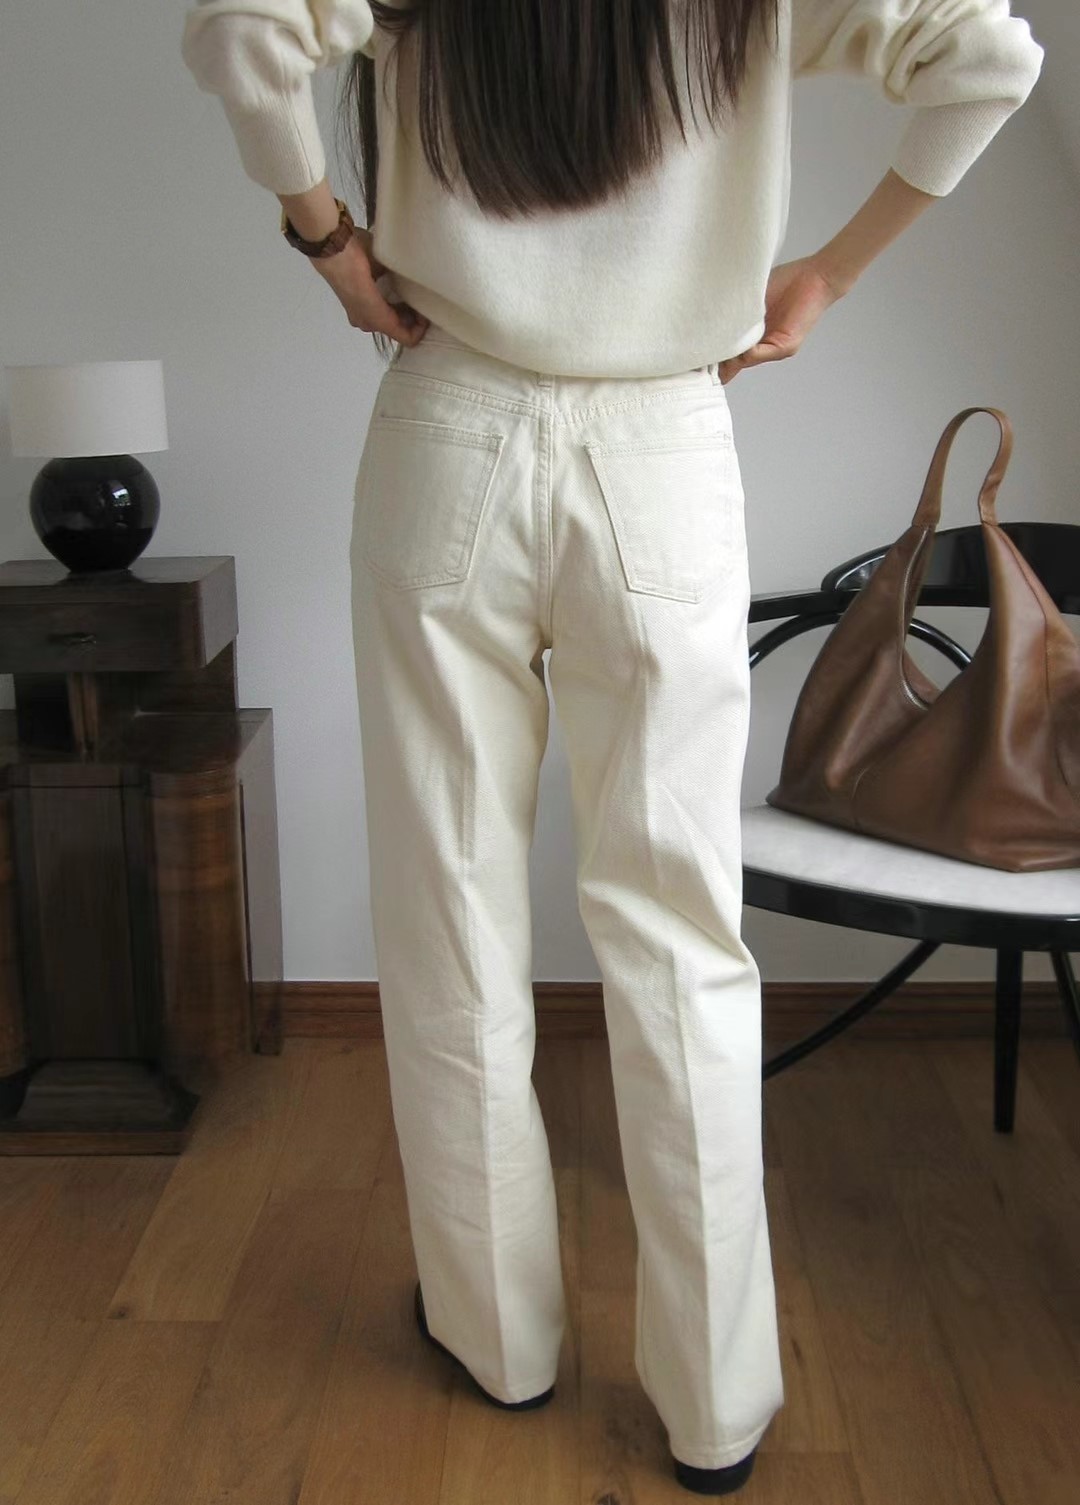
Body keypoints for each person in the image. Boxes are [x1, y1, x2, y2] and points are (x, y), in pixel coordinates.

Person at [180, 2, 1045, 1494]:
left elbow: (244, 34)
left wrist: (329, 239)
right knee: (680, 932)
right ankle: (715, 1404)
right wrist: (827, 275)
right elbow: (991, 60)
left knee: (450, 909)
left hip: (451, 424)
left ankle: (496, 1338)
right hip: (663, 456)